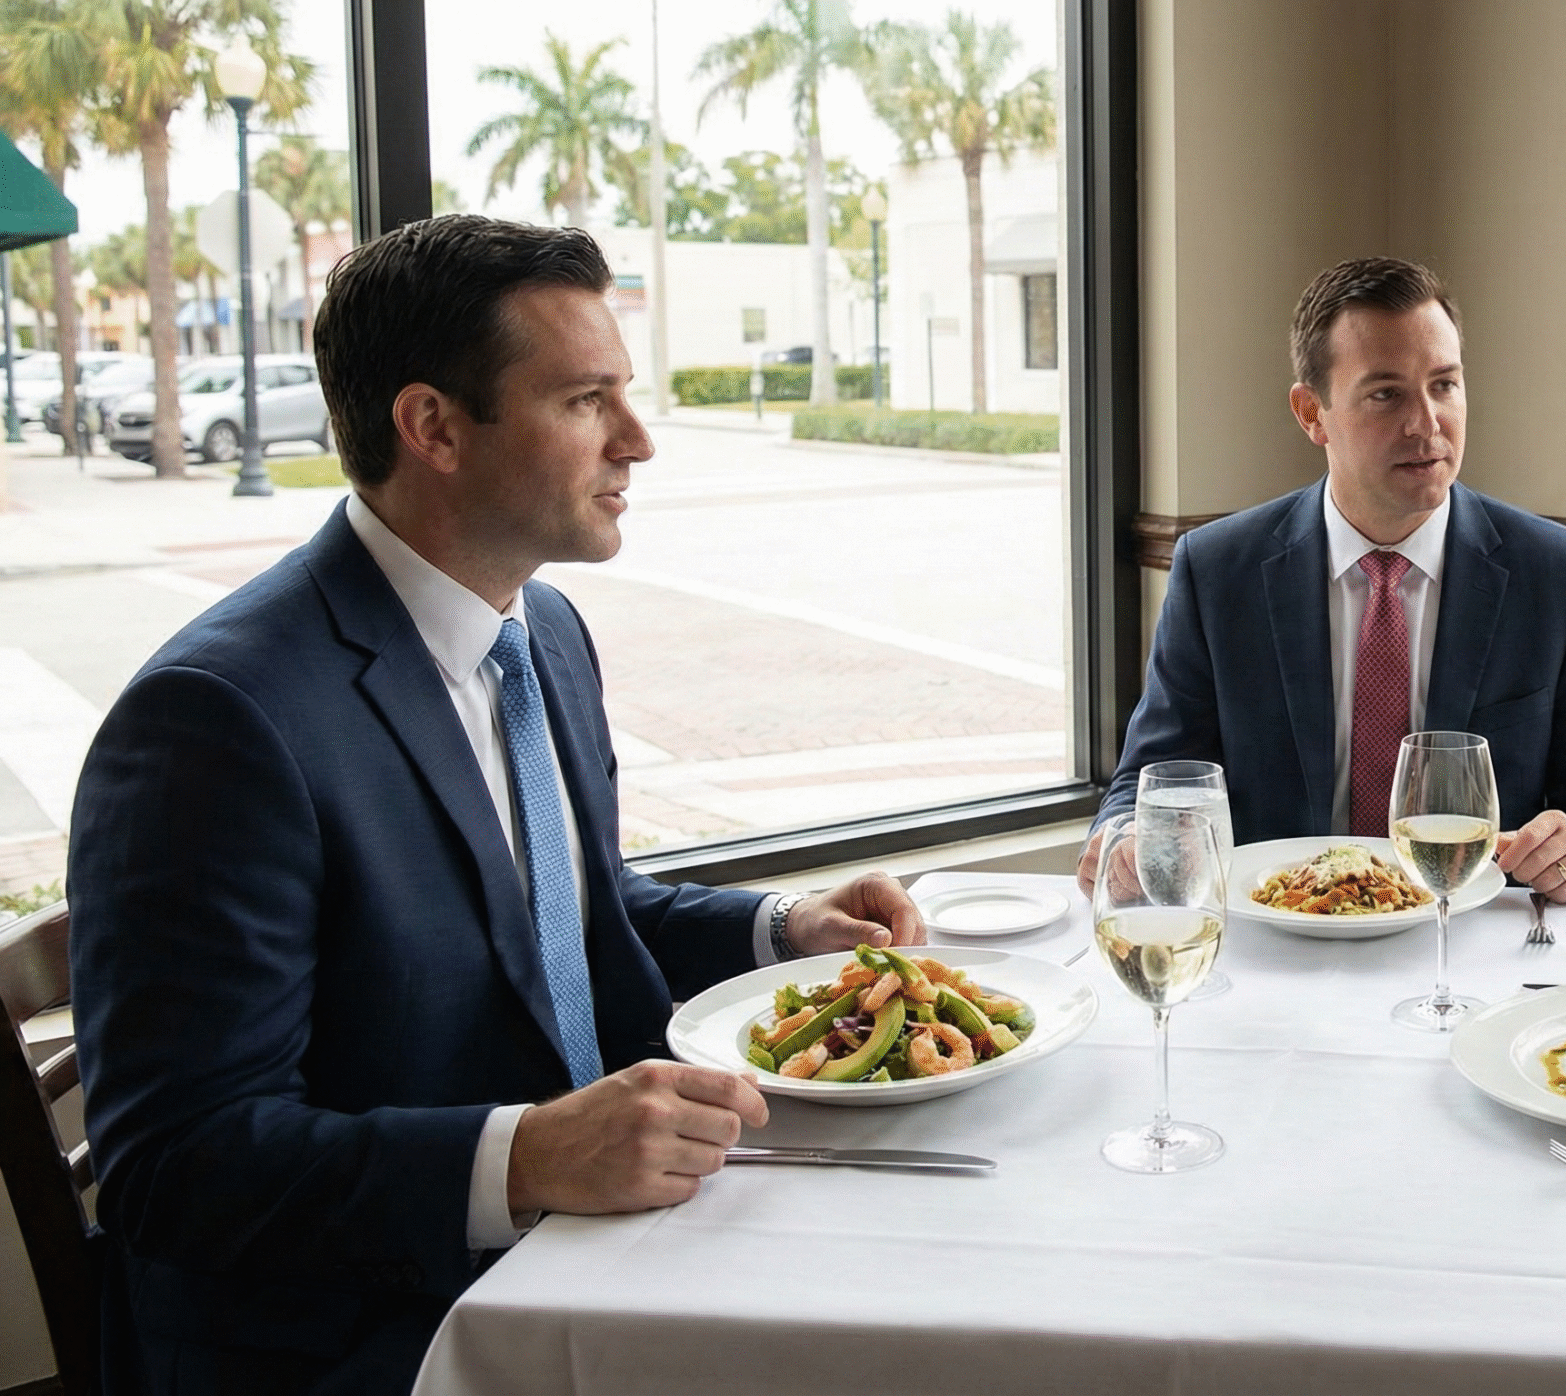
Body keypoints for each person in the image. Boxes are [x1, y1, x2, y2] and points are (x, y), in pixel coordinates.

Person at [67, 216, 926, 1394]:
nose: (637, 442)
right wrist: (523, 1156)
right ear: (432, 427)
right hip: (363, 1334)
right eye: (585, 401)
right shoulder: (215, 721)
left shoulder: (545, 633)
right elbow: (179, 1164)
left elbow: (575, 911)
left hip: (591, 1253)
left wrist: (784, 930)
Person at [1085, 257, 1566, 900]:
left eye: (1444, 384)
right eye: (1386, 393)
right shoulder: (1218, 572)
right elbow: (1149, 786)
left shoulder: (1560, 574)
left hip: (1472, 949)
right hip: (1277, 945)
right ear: (1312, 413)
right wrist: (1123, 842)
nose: (1427, 423)